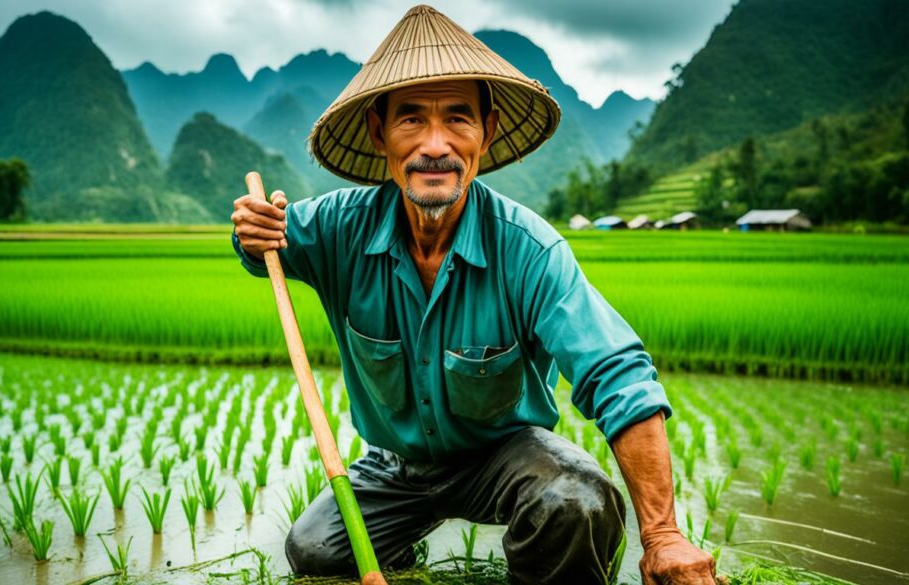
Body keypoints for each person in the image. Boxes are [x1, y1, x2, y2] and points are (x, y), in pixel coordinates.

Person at [231, 5, 717, 584]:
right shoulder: (337, 228)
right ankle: (399, 559)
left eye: (457, 119)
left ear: (485, 132)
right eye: (410, 120)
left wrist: (663, 536)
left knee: (578, 503)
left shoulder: (529, 250)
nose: (434, 146)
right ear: (377, 132)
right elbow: (266, 244)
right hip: (395, 466)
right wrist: (248, 232)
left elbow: (617, 375)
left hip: (506, 456)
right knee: (315, 551)